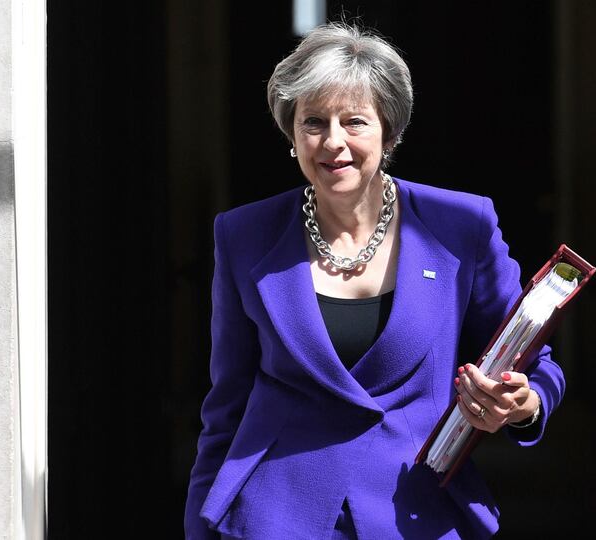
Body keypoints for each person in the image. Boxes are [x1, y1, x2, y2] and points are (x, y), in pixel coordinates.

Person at [184, 21, 564, 540]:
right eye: (313, 121)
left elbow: (534, 362)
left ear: (389, 131)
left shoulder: (462, 226)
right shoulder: (243, 235)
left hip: (414, 511)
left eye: (354, 121)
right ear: (291, 135)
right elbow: (225, 406)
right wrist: (198, 524)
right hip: (276, 515)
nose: (332, 142)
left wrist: (524, 404)